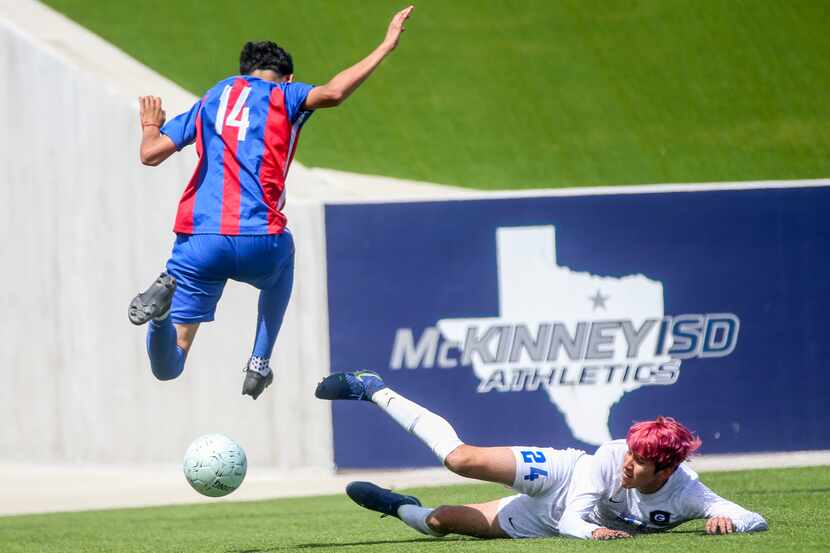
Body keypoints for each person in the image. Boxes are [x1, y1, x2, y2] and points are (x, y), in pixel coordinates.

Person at [127, 6, 415, 400]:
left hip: (200, 240)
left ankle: (159, 317)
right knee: (286, 259)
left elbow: (151, 153)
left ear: (244, 72)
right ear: (288, 76)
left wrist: (148, 125)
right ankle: (259, 362)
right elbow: (333, 93)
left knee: (169, 366)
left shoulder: (213, 97)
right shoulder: (285, 95)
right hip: (260, 236)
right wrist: (385, 45)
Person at [315, 371, 768, 540]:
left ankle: (401, 507)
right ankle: (373, 389)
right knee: (460, 460)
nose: (628, 463)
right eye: (630, 453)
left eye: (640, 462)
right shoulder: (609, 457)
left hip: (543, 522)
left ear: (666, 469)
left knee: (442, 523)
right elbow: (575, 518)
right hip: (564, 480)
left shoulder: (686, 492)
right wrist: (592, 537)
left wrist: (726, 521)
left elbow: (753, 518)